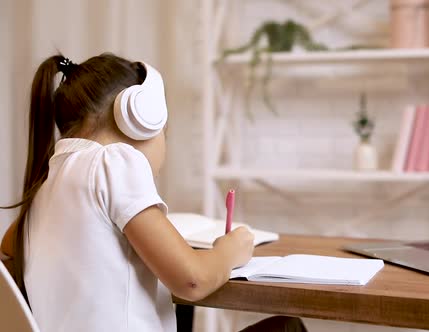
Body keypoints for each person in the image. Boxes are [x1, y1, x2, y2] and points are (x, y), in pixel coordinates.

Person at [0, 53, 306, 332]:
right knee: (286, 328)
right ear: (140, 118)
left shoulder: (47, 183)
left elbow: (9, 245)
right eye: (165, 130)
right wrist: (229, 252)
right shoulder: (115, 161)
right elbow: (192, 280)